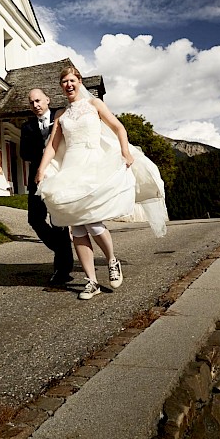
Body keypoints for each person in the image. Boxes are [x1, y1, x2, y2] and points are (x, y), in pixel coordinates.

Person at [35, 66, 168, 300]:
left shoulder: (95, 105)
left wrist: (126, 152)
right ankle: (91, 281)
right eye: (64, 81)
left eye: (72, 80)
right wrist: (41, 169)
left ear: (79, 82)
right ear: (61, 86)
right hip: (71, 167)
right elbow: (53, 146)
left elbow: (118, 127)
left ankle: (111, 260)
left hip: (94, 162)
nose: (68, 84)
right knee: (76, 227)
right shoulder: (60, 116)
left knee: (94, 223)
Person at [20, 88, 74, 286]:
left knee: (59, 220)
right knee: (34, 218)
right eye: (32, 102)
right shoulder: (27, 127)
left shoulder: (61, 116)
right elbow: (24, 154)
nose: (35, 105)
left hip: (60, 172)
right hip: (38, 176)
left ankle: (62, 270)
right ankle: (62, 249)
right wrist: (44, 149)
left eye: (38, 101)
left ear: (47, 100)